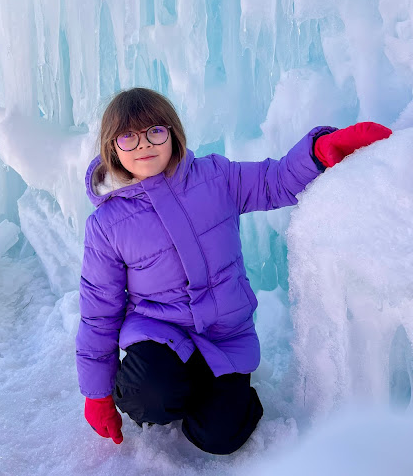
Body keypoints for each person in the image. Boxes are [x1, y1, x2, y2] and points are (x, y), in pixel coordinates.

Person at [76, 87, 391, 454]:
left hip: (225, 336)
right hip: (160, 333)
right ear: (112, 148)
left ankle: (220, 392)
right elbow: (99, 312)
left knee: (221, 436)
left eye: (155, 131)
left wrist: (321, 151)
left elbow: (275, 181)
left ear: (173, 133)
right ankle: (163, 385)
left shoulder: (215, 176)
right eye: (128, 137)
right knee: (149, 396)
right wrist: (96, 394)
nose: (144, 144)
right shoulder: (107, 223)